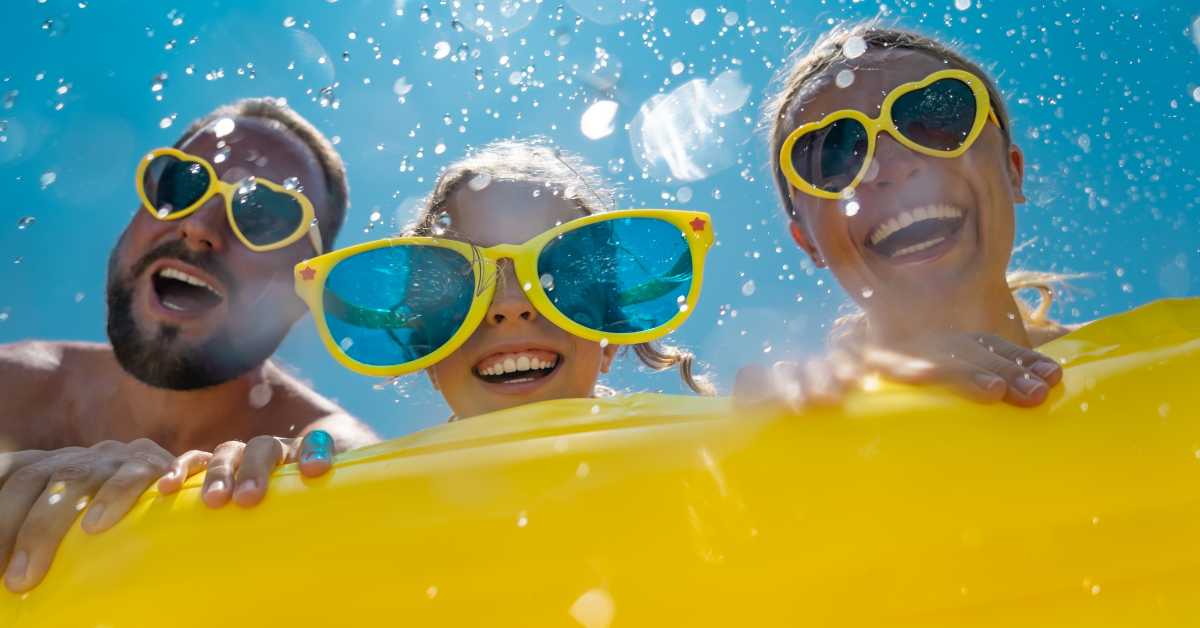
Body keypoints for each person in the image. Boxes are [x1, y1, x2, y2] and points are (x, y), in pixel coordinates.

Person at [0, 97, 379, 593]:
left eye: (263, 215)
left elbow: (362, 477)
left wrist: (311, 477)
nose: (199, 227)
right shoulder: (13, 387)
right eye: (181, 186)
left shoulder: (320, 447)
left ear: (303, 289)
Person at [737, 24, 1078, 408]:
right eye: (832, 153)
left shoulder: (1154, 351)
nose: (893, 166)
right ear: (809, 242)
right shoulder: (810, 421)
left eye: (935, 119)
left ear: (1012, 171)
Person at [278, 138, 712, 436]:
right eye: (460, 286)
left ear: (609, 337)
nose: (508, 306)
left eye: (558, 278)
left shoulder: (698, 459)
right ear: (426, 353)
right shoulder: (379, 508)